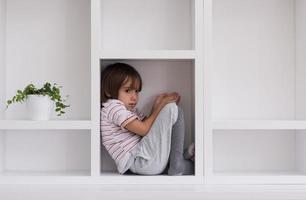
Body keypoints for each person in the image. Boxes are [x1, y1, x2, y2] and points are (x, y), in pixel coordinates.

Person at [100, 62, 195, 175]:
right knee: (172, 109)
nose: (134, 97)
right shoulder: (113, 107)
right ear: (108, 91)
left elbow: (148, 128)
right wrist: (161, 106)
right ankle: (178, 159)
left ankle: (181, 158)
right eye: (127, 90)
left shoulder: (128, 111)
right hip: (139, 161)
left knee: (194, 167)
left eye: (136, 91)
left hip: (144, 161)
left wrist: (156, 107)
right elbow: (144, 129)